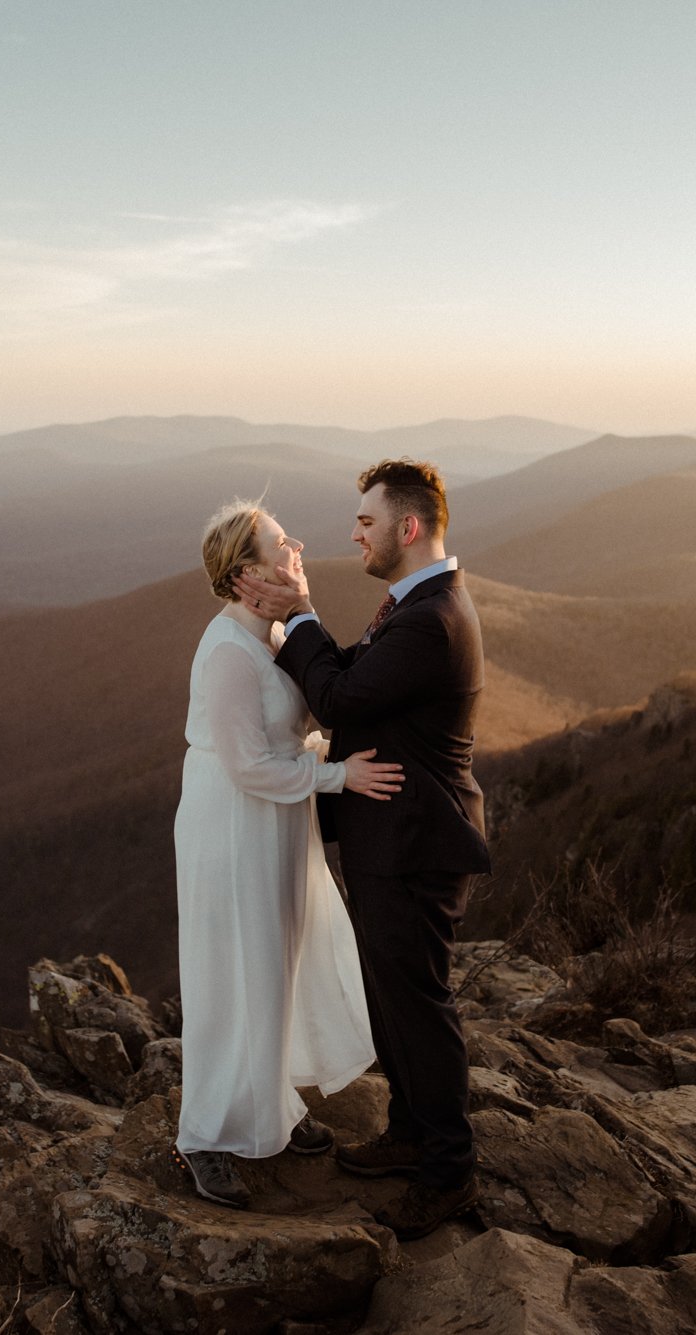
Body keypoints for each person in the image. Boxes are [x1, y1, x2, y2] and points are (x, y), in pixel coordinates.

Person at [233, 457, 491, 1241]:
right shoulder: (415, 605)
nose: (356, 534)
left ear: (406, 528)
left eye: (367, 522)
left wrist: (301, 612)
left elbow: (340, 696)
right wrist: (295, 634)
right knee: (393, 996)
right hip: (395, 838)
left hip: (417, 843)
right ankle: (411, 1134)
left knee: (418, 1002)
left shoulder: (432, 619)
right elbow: (352, 676)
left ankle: (449, 1172)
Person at [171, 499, 401, 1210]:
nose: (296, 544)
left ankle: (269, 1107)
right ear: (247, 573)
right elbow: (245, 764)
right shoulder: (230, 651)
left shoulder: (269, 633)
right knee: (232, 971)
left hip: (275, 822)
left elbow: (310, 700)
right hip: (235, 823)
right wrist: (339, 775)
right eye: (279, 542)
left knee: (279, 960)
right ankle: (204, 1134)